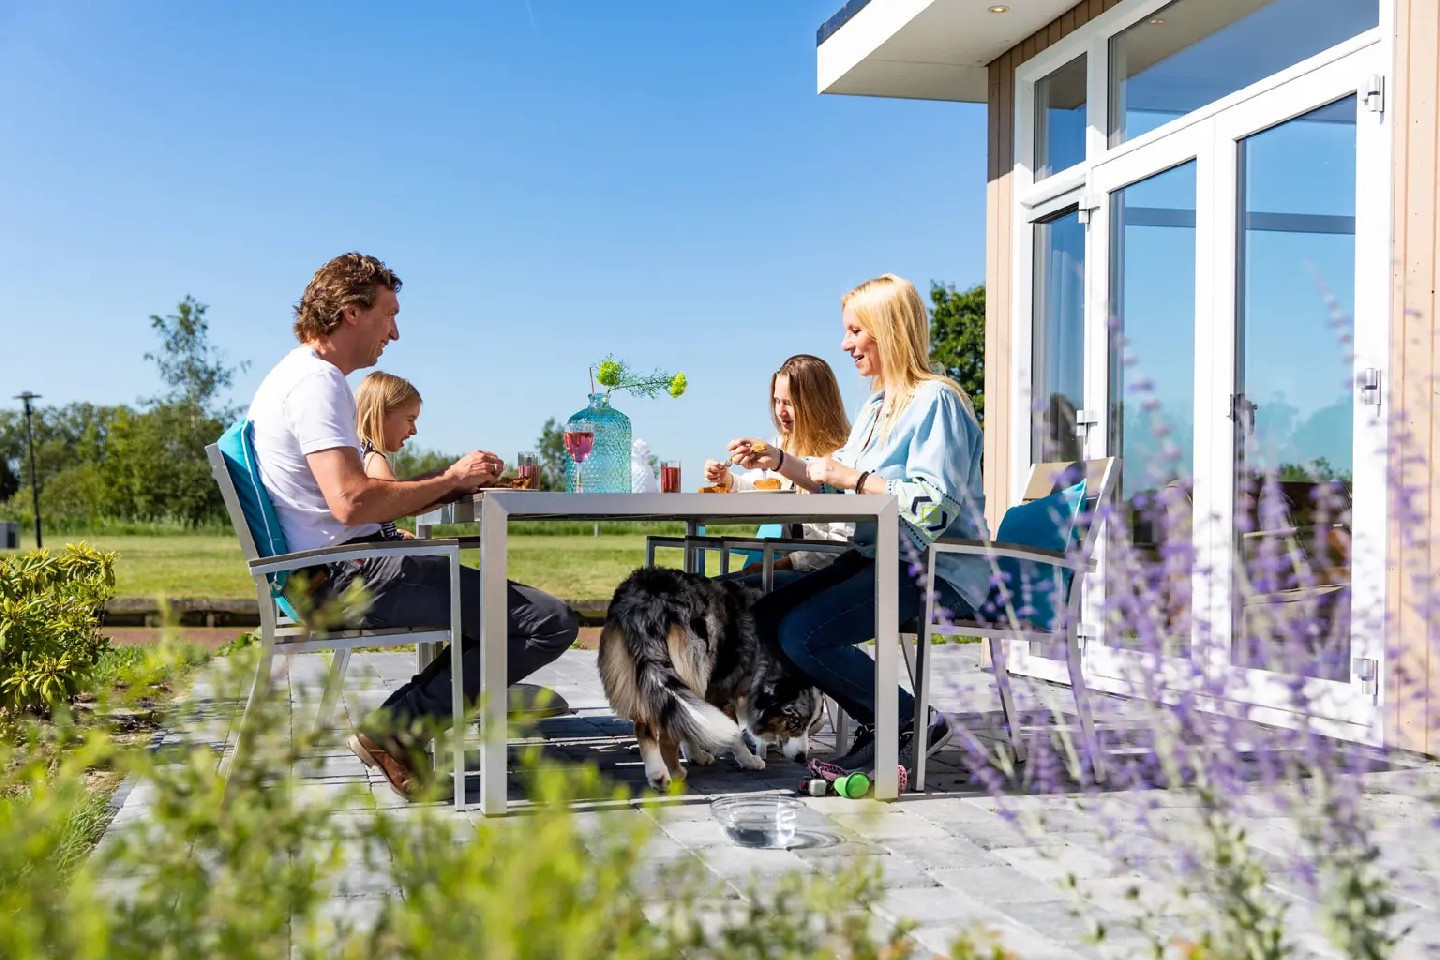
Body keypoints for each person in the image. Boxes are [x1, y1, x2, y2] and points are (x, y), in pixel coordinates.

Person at [246, 252, 578, 800]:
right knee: (548, 620)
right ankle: (397, 728)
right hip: (345, 579)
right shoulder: (316, 383)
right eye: (388, 314)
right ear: (352, 312)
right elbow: (352, 502)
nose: (394, 333)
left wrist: (449, 482)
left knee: (503, 614)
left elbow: (361, 495)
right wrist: (449, 480)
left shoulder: (295, 376)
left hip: (329, 571)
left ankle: (413, 722)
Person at [726, 273, 990, 773]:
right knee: (762, 614)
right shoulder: (876, 407)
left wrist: (856, 476)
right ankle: (882, 716)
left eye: (855, 331)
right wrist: (779, 460)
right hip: (879, 556)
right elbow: (831, 480)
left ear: (888, 330)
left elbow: (933, 508)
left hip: (935, 569)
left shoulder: (938, 402)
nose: (845, 344)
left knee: (803, 633)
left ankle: (908, 719)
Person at [701, 354, 853, 576]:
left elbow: (841, 544)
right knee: (713, 588)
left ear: (816, 403)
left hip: (816, 575)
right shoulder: (780, 445)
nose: (780, 412)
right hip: (782, 565)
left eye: (789, 403)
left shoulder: (843, 457)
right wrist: (727, 480)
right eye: (777, 401)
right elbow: (760, 489)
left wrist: (785, 564)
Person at [355, 370, 423, 540]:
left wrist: (396, 533)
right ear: (381, 415)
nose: (414, 431)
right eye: (410, 419)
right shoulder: (373, 458)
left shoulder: (357, 452)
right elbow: (399, 504)